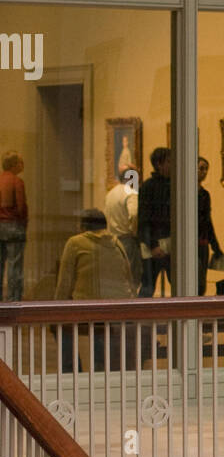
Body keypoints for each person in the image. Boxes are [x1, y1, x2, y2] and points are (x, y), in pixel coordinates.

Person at [54, 209, 136, 370]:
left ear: (82, 226)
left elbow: (65, 282)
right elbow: (129, 277)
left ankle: (71, 371)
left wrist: (56, 310)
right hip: (120, 310)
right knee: (101, 332)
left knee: (61, 329)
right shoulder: (117, 242)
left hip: (89, 309)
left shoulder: (75, 243)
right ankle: (99, 365)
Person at [138, 147, 171, 297]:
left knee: (179, 286)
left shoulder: (174, 184)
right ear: (159, 164)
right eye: (169, 162)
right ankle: (139, 318)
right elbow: (144, 219)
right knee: (148, 287)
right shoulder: (148, 186)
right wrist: (153, 244)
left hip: (170, 242)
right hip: (154, 243)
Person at [104, 167, 141, 291]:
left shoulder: (111, 193)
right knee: (130, 278)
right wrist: (134, 230)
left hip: (112, 240)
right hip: (127, 238)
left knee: (116, 277)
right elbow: (134, 214)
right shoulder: (131, 193)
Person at [0, 150, 27, 301]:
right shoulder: (17, 182)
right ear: (14, 164)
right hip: (14, 227)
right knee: (14, 265)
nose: (22, 165)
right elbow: (21, 206)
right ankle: (13, 300)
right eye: (20, 162)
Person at [197, 157, 224, 296]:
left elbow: (207, 221)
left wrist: (215, 246)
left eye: (206, 169)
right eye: (201, 168)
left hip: (202, 242)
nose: (204, 172)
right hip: (188, 243)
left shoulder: (205, 194)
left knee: (201, 282)